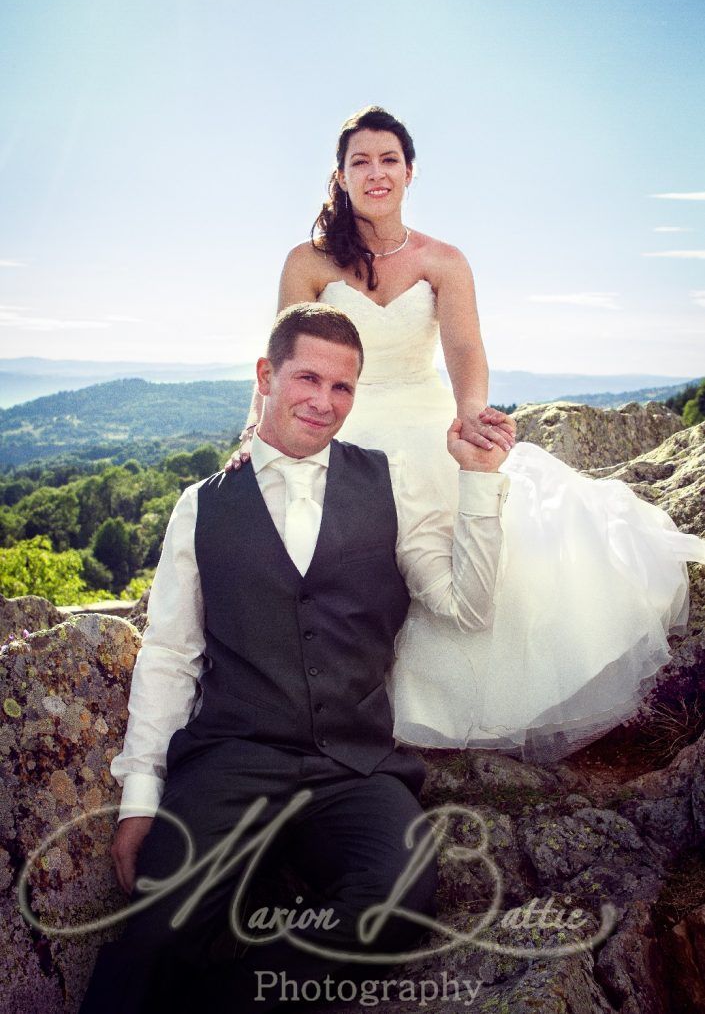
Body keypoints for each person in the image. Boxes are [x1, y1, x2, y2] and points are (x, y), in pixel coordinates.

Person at [231, 104, 705, 762]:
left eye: (387, 160)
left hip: (424, 427)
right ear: (338, 177)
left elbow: (463, 350)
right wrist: (255, 438)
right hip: (341, 428)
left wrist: (471, 413)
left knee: (467, 564)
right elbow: (284, 364)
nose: (375, 172)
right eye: (359, 162)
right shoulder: (306, 262)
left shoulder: (442, 260)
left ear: (409, 171)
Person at [79, 303, 509, 1014]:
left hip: (354, 766)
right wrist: (141, 796)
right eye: (307, 377)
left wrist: (480, 481)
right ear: (265, 376)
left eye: (342, 387)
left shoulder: (390, 482)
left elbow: (467, 607)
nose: (323, 401)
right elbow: (169, 654)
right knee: (154, 935)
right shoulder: (201, 504)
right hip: (230, 760)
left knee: (395, 903)